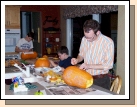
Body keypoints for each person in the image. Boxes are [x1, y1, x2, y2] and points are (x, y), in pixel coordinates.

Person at [71, 19, 114, 90]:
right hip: (86, 77)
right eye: (85, 36)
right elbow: (81, 54)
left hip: (101, 80)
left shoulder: (107, 42)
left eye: (90, 38)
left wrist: (88, 66)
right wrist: (77, 60)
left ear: (98, 33)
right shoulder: (84, 39)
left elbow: (108, 65)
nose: (87, 40)